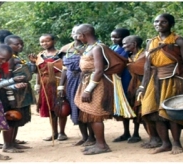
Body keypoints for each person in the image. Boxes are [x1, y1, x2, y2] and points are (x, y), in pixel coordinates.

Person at [137, 13, 183, 154]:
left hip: (174, 80)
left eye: (163, 22)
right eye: (156, 22)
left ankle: (176, 144)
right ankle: (165, 143)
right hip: (154, 80)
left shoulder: (179, 41)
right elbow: (147, 66)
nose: (159, 24)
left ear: (170, 24)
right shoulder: (151, 42)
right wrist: (142, 86)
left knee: (172, 112)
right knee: (153, 112)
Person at [74, 24, 127, 155]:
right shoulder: (89, 48)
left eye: (78, 35)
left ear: (84, 35)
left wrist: (89, 89)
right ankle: (99, 143)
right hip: (87, 82)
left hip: (96, 85)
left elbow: (98, 71)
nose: (77, 37)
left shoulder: (97, 48)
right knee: (91, 115)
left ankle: (102, 145)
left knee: (95, 115)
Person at [58, 25, 95, 146]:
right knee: (75, 108)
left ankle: (92, 137)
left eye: (78, 33)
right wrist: (61, 86)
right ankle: (84, 137)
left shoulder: (89, 47)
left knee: (85, 108)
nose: (76, 35)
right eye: (74, 32)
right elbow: (64, 69)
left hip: (83, 80)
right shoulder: (66, 49)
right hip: (70, 81)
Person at [123, 35, 162, 147]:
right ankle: (153, 137)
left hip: (148, 86)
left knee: (147, 112)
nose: (123, 46)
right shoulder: (132, 56)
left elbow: (149, 70)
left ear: (134, 44)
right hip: (136, 87)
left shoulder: (145, 54)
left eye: (126, 44)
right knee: (141, 114)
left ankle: (156, 138)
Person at [29, 34, 68, 141]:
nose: (44, 43)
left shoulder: (61, 54)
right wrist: (37, 84)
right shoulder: (40, 56)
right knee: (50, 108)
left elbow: (65, 69)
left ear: (54, 41)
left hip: (59, 82)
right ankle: (54, 132)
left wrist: (62, 86)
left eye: (47, 41)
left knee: (60, 107)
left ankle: (62, 132)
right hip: (45, 85)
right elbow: (38, 71)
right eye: (42, 42)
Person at [2, 35, 35, 153]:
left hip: (22, 92)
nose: (20, 46)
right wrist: (12, 88)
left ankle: (13, 142)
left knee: (17, 118)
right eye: (16, 44)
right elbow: (6, 78)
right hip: (14, 93)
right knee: (12, 117)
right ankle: (7, 145)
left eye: (21, 44)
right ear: (8, 45)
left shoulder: (16, 57)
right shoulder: (9, 59)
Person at [110, 28, 137, 143]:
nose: (113, 39)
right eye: (112, 37)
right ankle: (126, 132)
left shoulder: (128, 50)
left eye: (117, 37)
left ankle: (136, 133)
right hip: (117, 79)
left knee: (133, 103)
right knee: (122, 104)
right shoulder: (113, 48)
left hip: (128, 78)